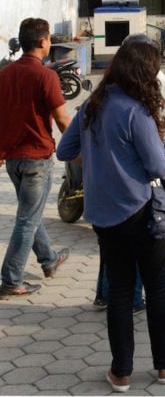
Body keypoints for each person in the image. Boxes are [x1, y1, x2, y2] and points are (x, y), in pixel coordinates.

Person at [57, 38, 165, 392]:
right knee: (158, 287)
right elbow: (154, 163)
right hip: (140, 211)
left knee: (119, 291)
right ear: (144, 72)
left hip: (103, 214)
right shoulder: (135, 111)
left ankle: (121, 373)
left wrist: (101, 164)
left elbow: (65, 150)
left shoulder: (92, 104)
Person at [0, 18, 70, 297]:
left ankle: (49, 259)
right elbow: (63, 118)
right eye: (49, 38)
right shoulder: (46, 75)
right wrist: (80, 148)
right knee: (27, 220)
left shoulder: (4, 73)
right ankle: (11, 278)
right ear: (42, 42)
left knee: (30, 213)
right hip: (37, 159)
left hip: (14, 160)